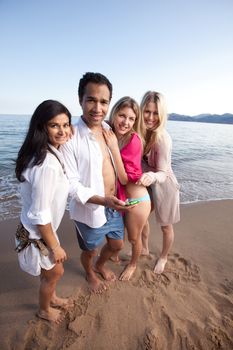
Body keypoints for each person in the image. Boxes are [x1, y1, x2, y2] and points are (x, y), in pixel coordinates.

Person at [61, 72, 132, 293]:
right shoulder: (71, 137)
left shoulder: (108, 129)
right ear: (80, 99)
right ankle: (90, 271)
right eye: (91, 100)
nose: (97, 108)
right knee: (90, 250)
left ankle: (101, 265)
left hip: (114, 206)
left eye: (103, 102)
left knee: (117, 244)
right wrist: (103, 200)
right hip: (90, 209)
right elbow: (71, 185)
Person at [15, 100, 72, 323]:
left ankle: (52, 297)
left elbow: (65, 135)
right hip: (38, 232)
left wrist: (65, 132)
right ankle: (44, 310)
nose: (63, 131)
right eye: (54, 125)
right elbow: (40, 214)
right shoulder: (46, 164)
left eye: (66, 125)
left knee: (51, 273)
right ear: (42, 127)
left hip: (39, 228)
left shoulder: (48, 151)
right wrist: (55, 246)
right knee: (55, 272)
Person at [103, 97, 151, 280]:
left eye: (131, 119)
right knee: (116, 233)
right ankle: (114, 254)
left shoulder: (134, 140)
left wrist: (114, 148)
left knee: (133, 238)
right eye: (122, 116)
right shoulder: (109, 131)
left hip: (137, 200)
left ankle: (132, 265)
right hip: (120, 197)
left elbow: (124, 178)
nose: (126, 122)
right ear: (114, 113)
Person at [136, 91, 180, 274]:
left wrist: (152, 177)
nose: (151, 117)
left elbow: (162, 173)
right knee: (142, 218)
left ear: (162, 115)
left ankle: (163, 257)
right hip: (148, 183)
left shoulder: (162, 139)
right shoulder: (139, 132)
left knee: (165, 226)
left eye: (156, 113)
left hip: (164, 183)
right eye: (147, 111)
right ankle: (144, 248)